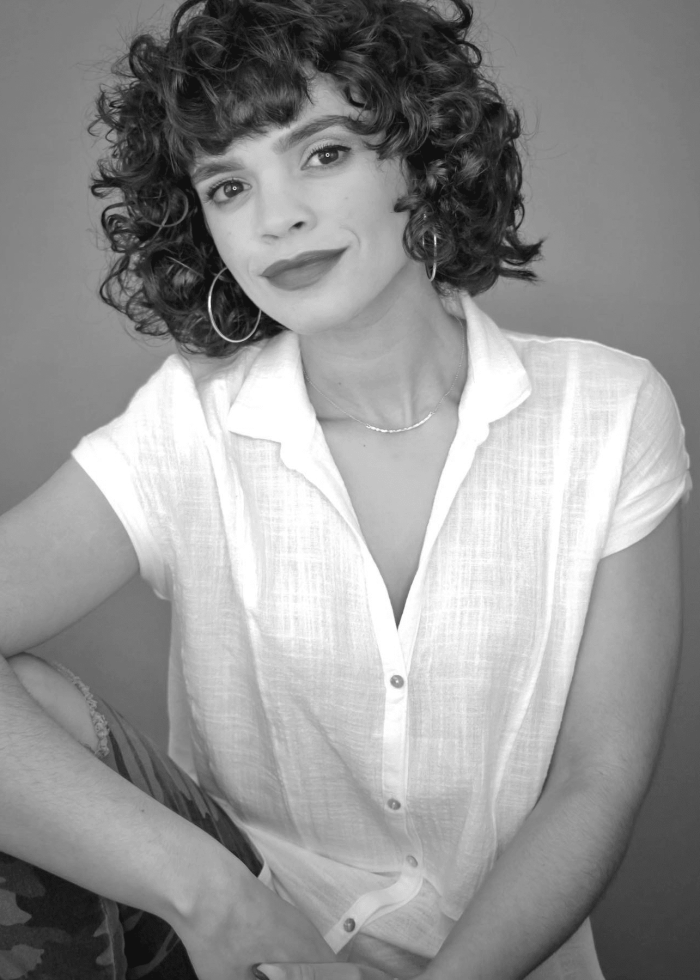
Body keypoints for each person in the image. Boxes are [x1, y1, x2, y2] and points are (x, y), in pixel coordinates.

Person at [0, 0, 691, 978]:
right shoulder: (189, 419)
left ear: (419, 151)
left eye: (322, 154)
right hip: (247, 942)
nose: (277, 217)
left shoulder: (611, 409)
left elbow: (595, 778)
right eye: (229, 184)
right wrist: (215, 898)